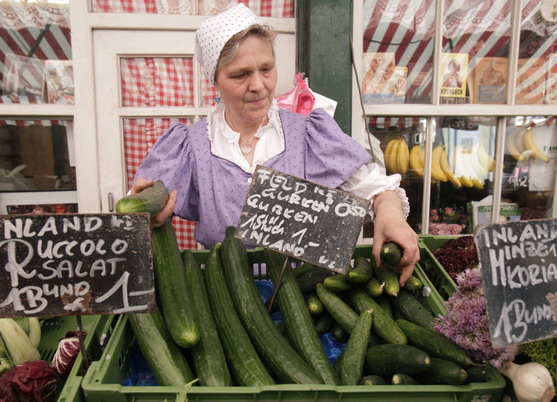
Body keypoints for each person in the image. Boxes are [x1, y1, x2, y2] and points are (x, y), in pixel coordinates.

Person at [131, 4, 419, 283]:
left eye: (266, 69)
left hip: (303, 288)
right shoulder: (190, 146)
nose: (258, 85)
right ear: (215, 80)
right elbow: (140, 213)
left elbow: (377, 189)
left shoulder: (308, 134)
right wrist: (150, 218)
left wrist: (390, 214)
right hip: (222, 292)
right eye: (240, 74)